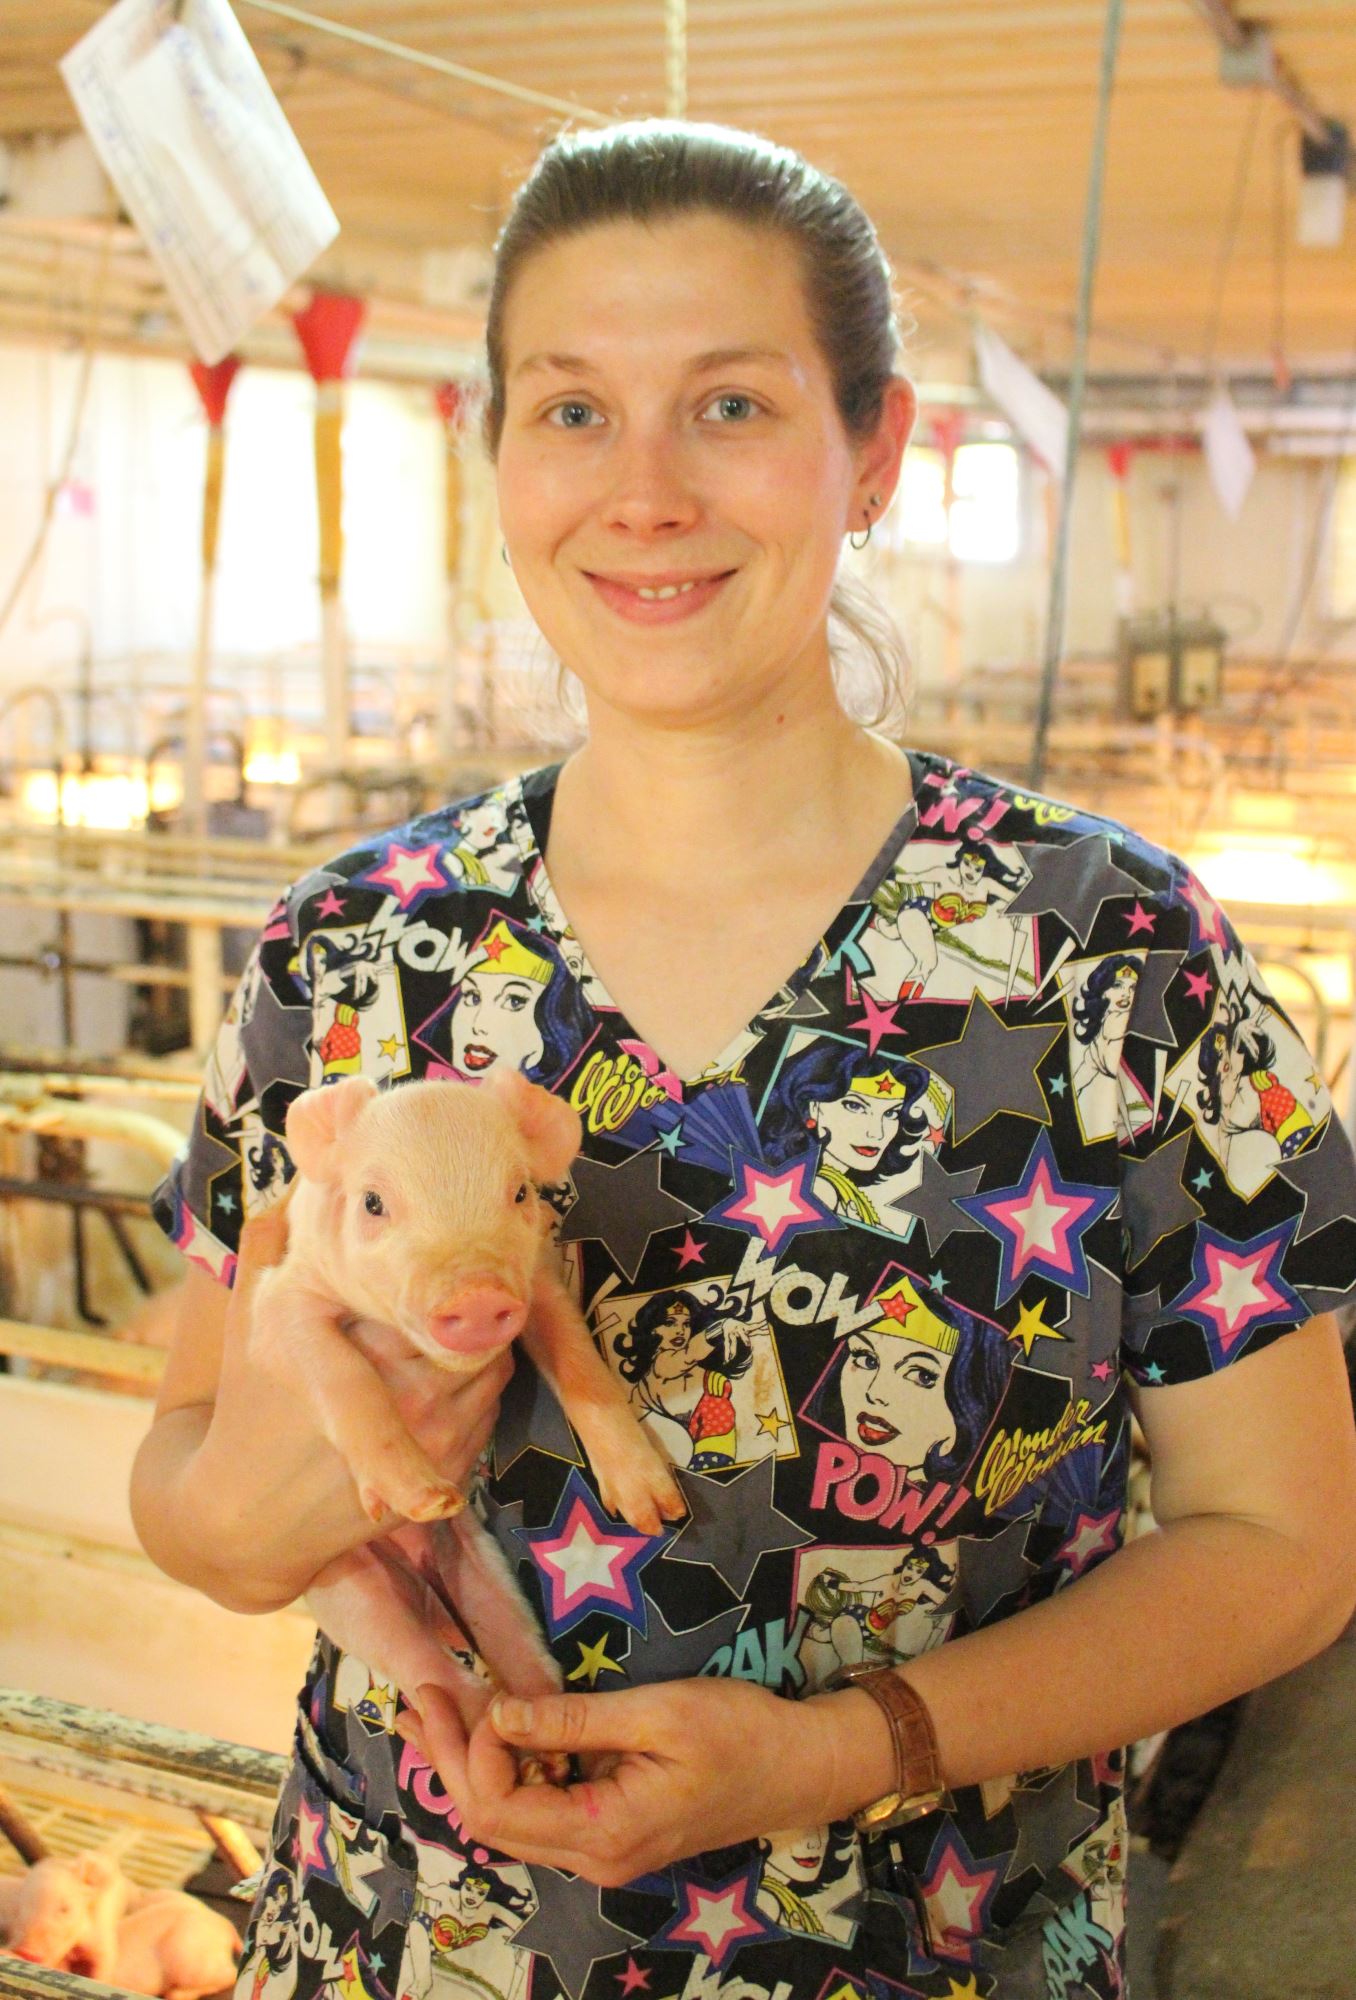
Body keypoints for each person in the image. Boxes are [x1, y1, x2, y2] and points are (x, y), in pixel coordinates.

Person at [132, 117, 1356, 2000]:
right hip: (408, 1945)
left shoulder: (1110, 950)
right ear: (494, 458)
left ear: (871, 450)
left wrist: (845, 1746)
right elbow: (186, 1475)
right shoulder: (348, 952)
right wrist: (269, 1510)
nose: (641, 494)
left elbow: (1285, 1544)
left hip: (935, 1949)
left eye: (728, 407)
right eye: (569, 412)